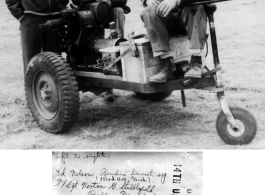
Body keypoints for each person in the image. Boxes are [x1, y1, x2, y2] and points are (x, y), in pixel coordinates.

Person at [140, 0, 207, 82]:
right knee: (149, 11)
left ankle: (196, 62)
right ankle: (167, 65)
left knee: (196, 7)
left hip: (189, 18)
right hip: (166, 19)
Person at [5, 0, 69, 74]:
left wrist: (61, 7)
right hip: (31, 19)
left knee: (55, 60)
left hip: (54, 18)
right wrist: (21, 16)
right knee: (31, 60)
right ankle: (31, 85)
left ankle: (52, 84)